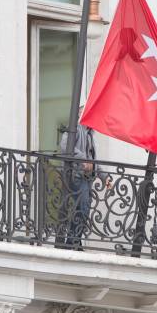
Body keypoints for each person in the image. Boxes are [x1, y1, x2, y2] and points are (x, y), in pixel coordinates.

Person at [58, 105, 112, 250]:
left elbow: (94, 161)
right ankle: (72, 241)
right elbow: (64, 147)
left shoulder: (90, 134)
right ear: (81, 115)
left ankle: (74, 239)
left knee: (84, 209)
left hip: (87, 178)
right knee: (81, 207)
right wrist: (83, 161)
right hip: (76, 175)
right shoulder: (75, 128)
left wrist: (104, 177)